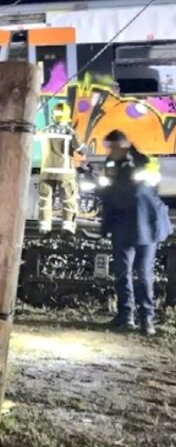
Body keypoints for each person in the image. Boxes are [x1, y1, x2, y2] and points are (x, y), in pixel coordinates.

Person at [101, 130, 172, 335]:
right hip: (124, 226)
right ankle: (126, 316)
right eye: (109, 147)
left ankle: (146, 320)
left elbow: (141, 193)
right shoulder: (111, 164)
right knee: (123, 273)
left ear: (123, 144)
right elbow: (109, 194)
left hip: (145, 226)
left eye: (113, 146)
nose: (110, 151)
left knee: (143, 274)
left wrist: (117, 183)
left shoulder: (144, 161)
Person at [38, 102, 85, 234]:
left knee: (45, 200)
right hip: (65, 172)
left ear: (53, 116)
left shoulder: (45, 130)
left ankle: (44, 228)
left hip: (46, 171)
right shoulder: (70, 132)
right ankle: (67, 228)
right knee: (69, 199)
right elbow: (81, 150)